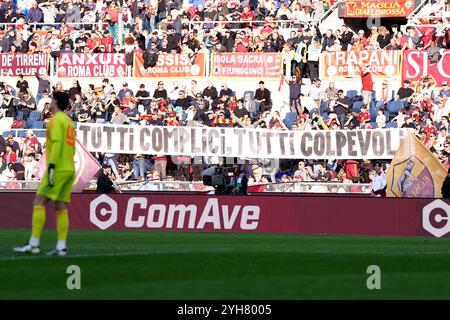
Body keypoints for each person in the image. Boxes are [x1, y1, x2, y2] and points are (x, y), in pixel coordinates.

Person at [14, 92, 75, 256]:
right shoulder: (68, 122)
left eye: (52, 100)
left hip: (58, 168)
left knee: (39, 201)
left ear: (55, 102)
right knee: (60, 205)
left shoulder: (55, 121)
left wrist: (52, 168)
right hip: (69, 168)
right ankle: (61, 246)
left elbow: (55, 146)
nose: (50, 102)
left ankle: (34, 243)